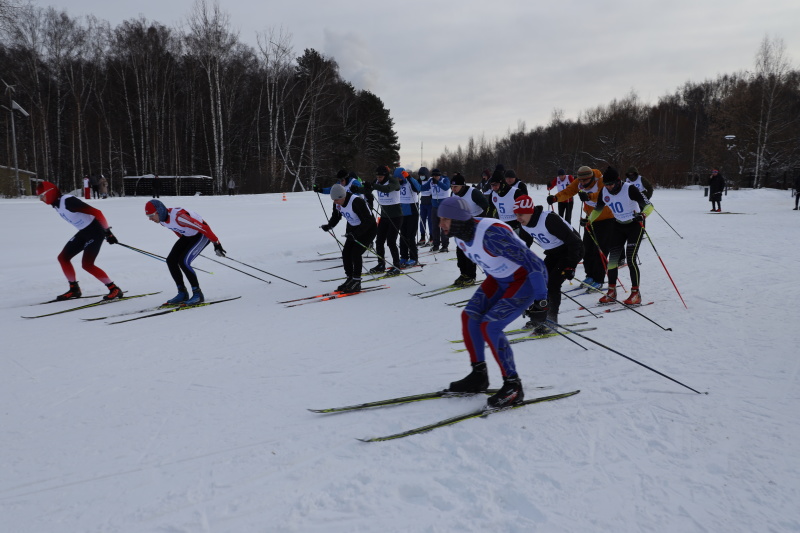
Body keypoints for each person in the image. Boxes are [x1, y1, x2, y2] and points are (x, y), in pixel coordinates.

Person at [438, 196, 549, 408]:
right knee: (469, 317)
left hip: (524, 279)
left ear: (459, 219)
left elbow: (534, 263)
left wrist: (541, 300)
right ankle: (479, 375)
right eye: (440, 219)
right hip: (500, 279)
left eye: (445, 219)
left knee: (490, 326)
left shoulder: (491, 235)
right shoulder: (459, 236)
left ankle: (513, 386)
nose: (441, 224)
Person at [36, 180, 122, 301]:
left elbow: (97, 212)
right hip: (84, 232)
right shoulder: (57, 204)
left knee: (87, 265)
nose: (41, 199)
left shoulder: (68, 201)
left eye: (42, 195)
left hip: (96, 231)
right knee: (63, 258)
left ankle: (114, 289)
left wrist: (107, 232)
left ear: (50, 192)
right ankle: (74, 289)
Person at [513, 195, 583, 333]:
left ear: (530, 211)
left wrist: (571, 265)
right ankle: (537, 318)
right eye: (516, 214)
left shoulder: (548, 220)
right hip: (553, 253)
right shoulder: (525, 224)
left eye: (520, 214)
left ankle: (551, 321)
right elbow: (524, 245)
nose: (518, 218)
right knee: (539, 282)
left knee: (552, 284)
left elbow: (575, 242)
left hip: (570, 250)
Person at [588, 166, 654, 306]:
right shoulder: (604, 191)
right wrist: (588, 220)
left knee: (630, 259)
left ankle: (636, 294)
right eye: (606, 184)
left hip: (635, 226)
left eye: (611, 184)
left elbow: (649, 206)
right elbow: (598, 209)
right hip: (618, 226)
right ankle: (611, 291)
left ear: (618, 181)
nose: (609, 187)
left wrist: (642, 215)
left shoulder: (629, 188)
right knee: (612, 261)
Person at [145, 199, 226, 306]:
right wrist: (185, 245)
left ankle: (198, 294)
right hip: (188, 236)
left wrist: (217, 244)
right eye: (148, 216)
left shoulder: (179, 217)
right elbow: (175, 229)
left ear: (159, 211)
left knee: (183, 262)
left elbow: (204, 228)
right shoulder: (162, 221)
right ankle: (182, 293)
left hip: (202, 235)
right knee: (171, 260)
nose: (150, 219)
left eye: (151, 215)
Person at [548, 166, 615, 291]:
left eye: (585, 181)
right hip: (590, 219)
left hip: (606, 219)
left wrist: (589, 197)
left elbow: (603, 195)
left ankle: (599, 279)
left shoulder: (601, 180)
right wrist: (555, 198)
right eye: (580, 181)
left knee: (600, 250)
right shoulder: (579, 182)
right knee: (587, 249)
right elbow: (568, 191)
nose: (582, 183)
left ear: (591, 178)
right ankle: (589, 275)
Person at [320, 184, 377, 293]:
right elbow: (336, 216)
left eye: (337, 199)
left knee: (356, 253)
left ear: (343, 196)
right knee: (346, 253)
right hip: (353, 229)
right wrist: (329, 226)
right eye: (333, 199)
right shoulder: (337, 203)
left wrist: (356, 234)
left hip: (368, 229)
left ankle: (357, 281)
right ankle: (350, 278)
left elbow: (368, 221)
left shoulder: (357, 202)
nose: (335, 202)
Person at [450, 172, 489, 286]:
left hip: (475, 223)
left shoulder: (473, 193)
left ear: (462, 185)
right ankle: (464, 274)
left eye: (455, 187)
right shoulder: (453, 195)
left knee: (470, 250)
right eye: (452, 187)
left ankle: (471, 275)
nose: (453, 189)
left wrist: (482, 221)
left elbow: (486, 206)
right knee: (460, 250)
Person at [366, 165, 403, 275]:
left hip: (396, 216)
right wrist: (357, 189)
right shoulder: (377, 181)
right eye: (377, 177)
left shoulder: (393, 181)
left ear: (386, 176)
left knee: (391, 241)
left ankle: (397, 265)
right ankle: (381, 264)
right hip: (384, 217)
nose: (379, 179)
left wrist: (373, 185)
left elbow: (387, 189)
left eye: (381, 177)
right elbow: (369, 188)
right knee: (379, 241)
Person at [421, 168, 451, 252]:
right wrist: (416, 185)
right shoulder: (430, 181)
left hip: (444, 206)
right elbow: (423, 187)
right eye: (433, 176)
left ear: (439, 175)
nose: (435, 177)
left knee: (444, 226)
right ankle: (436, 244)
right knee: (435, 226)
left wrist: (438, 182)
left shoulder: (445, 179)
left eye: (437, 176)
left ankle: (445, 245)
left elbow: (446, 187)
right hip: (434, 206)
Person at [397, 168, 421, 266]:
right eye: (397, 178)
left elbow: (418, 188)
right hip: (402, 213)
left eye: (399, 178)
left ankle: (413, 258)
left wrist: (409, 177)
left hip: (412, 212)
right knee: (402, 236)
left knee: (410, 237)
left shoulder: (410, 181)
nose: (398, 180)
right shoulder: (398, 183)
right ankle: (403, 257)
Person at [417, 167, 432, 245]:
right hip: (423, 202)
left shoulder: (430, 180)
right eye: (420, 175)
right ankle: (422, 237)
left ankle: (432, 237)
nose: (421, 176)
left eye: (422, 175)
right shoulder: (420, 181)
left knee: (430, 221)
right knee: (422, 221)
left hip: (430, 203)